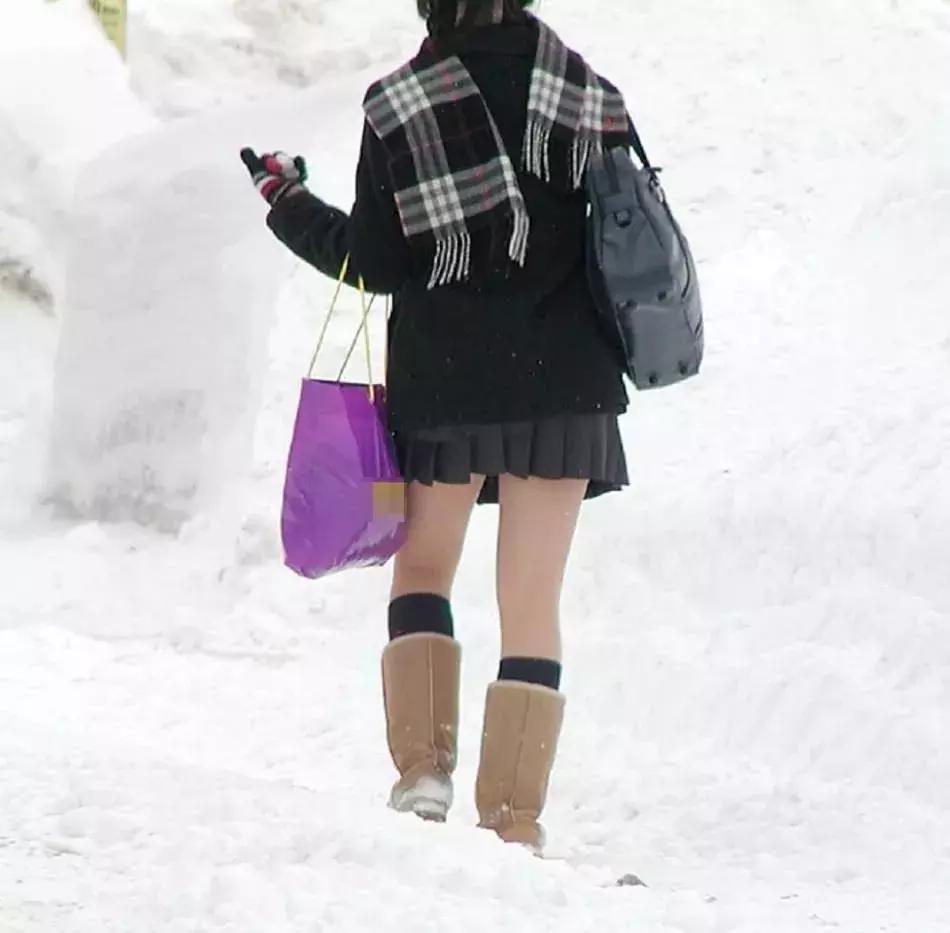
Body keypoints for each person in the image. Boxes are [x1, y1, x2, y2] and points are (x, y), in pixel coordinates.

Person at [242, 0, 631, 852]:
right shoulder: (586, 94)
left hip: (448, 379)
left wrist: (285, 198)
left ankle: (423, 771)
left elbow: (375, 263)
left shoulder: (402, 104)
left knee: (424, 564)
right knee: (532, 600)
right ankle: (514, 821)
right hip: (567, 384)